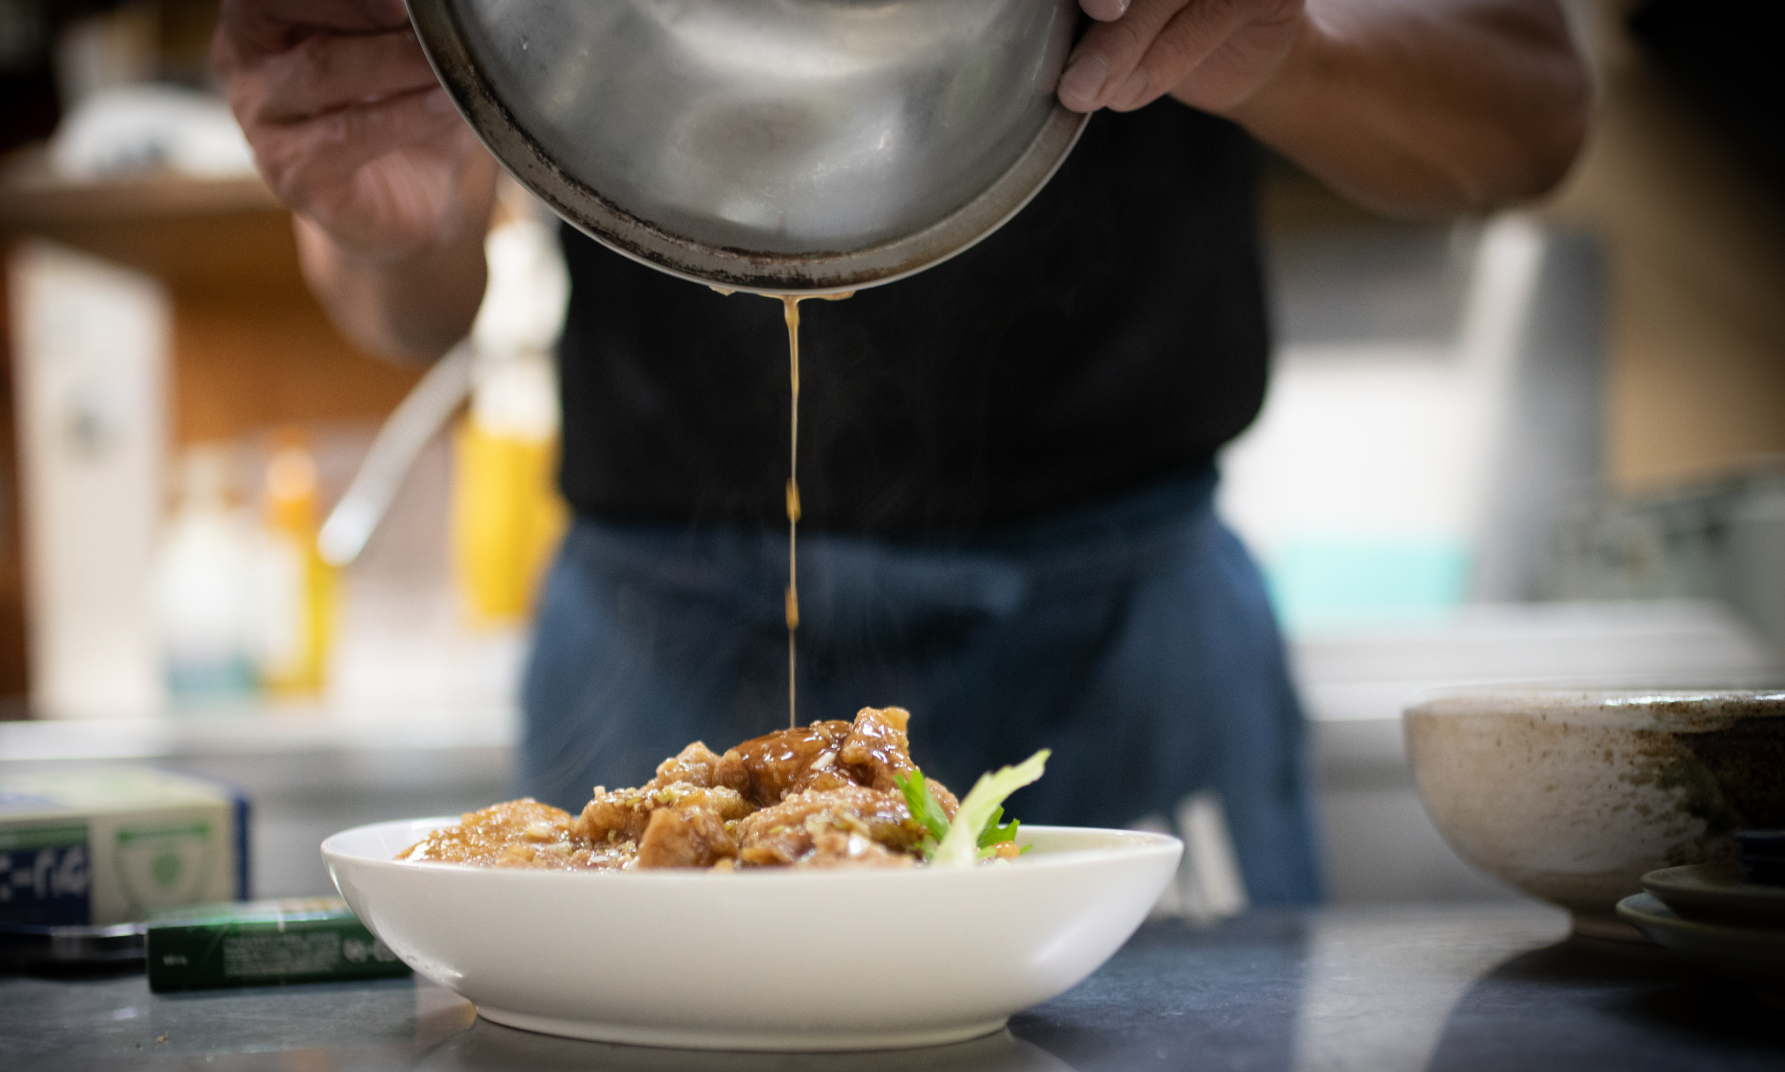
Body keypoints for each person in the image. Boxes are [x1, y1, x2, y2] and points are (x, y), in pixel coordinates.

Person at [214, 0, 1588, 902]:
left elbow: (1533, 102)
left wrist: (1291, 44)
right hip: (658, 641)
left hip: (1127, 630)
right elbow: (402, 304)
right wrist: (375, 203)